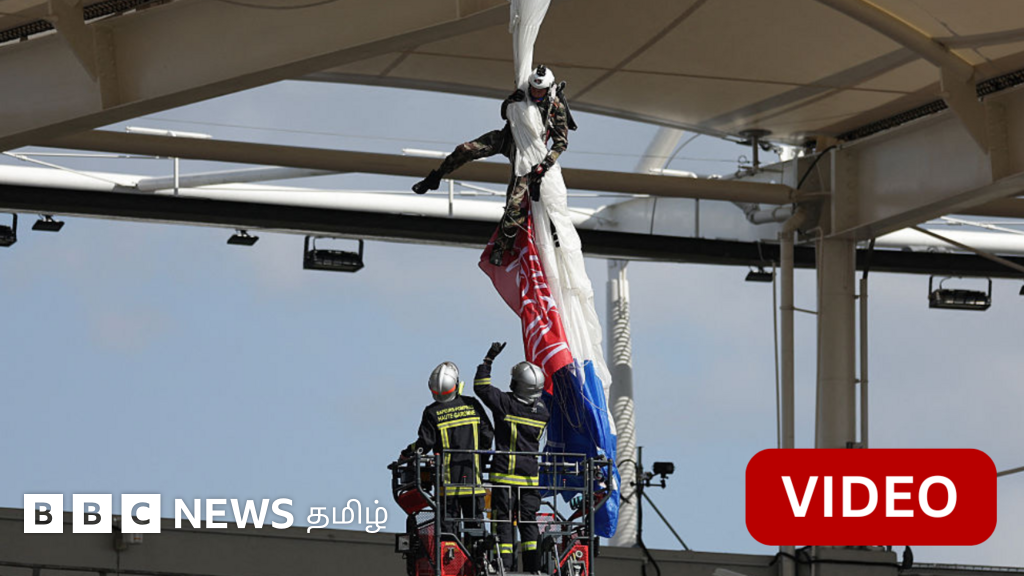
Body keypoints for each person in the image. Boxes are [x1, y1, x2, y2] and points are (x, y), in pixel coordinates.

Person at [412, 65, 572, 265]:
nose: (536, 93)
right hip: (507, 138)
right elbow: (505, 114)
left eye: (540, 90)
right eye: (533, 89)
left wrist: (545, 164)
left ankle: (501, 247)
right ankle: (435, 177)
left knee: (514, 202)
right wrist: (510, 101)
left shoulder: (555, 107)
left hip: (529, 154)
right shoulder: (523, 92)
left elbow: (561, 143)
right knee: (465, 149)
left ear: (548, 89)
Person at [473, 342, 550, 572]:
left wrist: (488, 361)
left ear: (518, 385)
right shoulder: (543, 412)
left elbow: (481, 387)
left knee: (503, 522)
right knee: (528, 523)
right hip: (529, 479)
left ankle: (504, 565)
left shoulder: (506, 404)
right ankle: (534, 567)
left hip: (504, 476)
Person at [402, 361, 494, 548]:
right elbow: (487, 435)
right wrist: (481, 462)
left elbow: (424, 444)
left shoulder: (432, 412)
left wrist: (407, 454)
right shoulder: (472, 404)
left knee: (447, 534)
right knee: (475, 528)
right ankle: (478, 560)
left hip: (447, 487)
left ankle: (450, 564)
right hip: (474, 482)